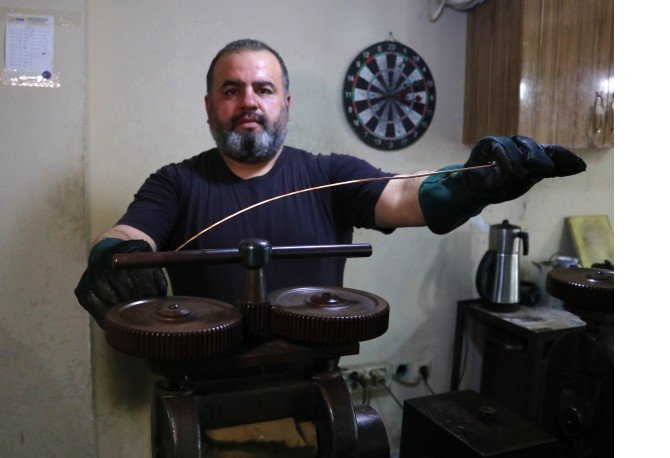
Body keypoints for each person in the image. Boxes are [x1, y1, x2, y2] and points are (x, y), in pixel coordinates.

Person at [75, 39, 586, 329]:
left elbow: (403, 196)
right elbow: (130, 234)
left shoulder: (329, 174)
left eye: (263, 89)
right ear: (210, 106)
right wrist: (111, 256)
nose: (249, 101)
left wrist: (473, 185)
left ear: (286, 103)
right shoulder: (175, 183)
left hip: (314, 382)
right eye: (231, 90)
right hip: (203, 387)